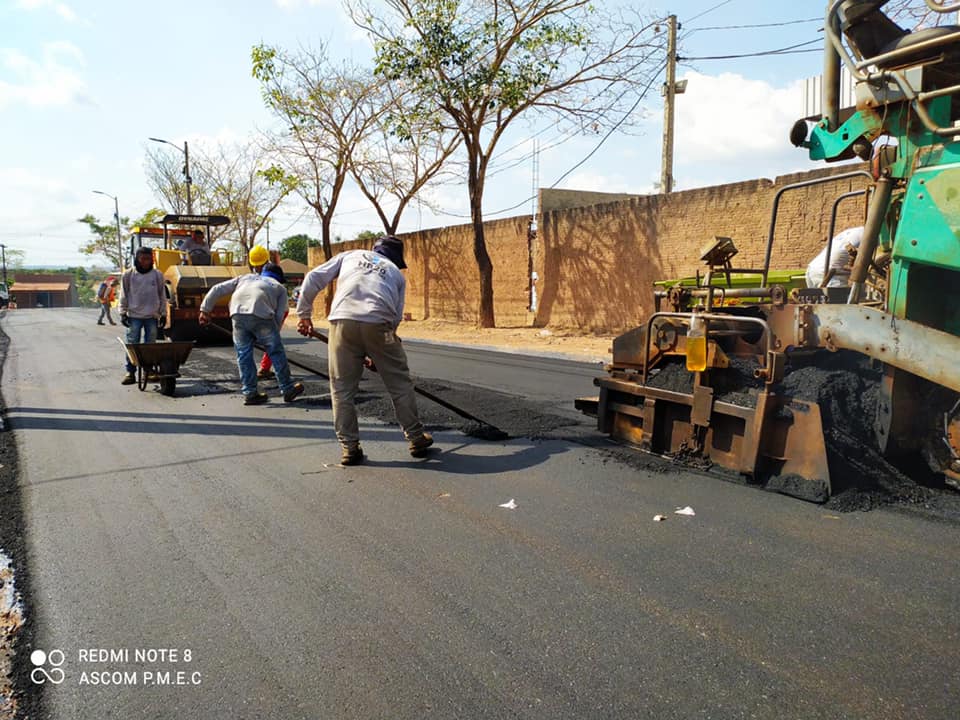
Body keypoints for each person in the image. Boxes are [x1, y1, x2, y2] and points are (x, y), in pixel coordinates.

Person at [296, 235, 433, 466]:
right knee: (400, 384)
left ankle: (349, 448)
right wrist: (379, 353)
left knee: (341, 389)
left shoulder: (350, 255)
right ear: (396, 257)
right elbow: (395, 316)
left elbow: (313, 277)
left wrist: (304, 315)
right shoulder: (395, 273)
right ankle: (416, 437)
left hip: (342, 322)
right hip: (379, 324)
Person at [198, 245, 304, 406]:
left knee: (243, 355)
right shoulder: (279, 287)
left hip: (237, 315)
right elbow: (278, 315)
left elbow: (217, 289)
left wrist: (205, 310)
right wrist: (271, 338)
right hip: (261, 315)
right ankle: (287, 388)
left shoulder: (244, 278)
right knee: (276, 352)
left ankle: (250, 393)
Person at [119, 247, 167, 385]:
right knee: (132, 343)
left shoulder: (157, 275)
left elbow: (162, 295)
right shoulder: (128, 275)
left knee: (150, 345)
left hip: (151, 316)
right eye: (143, 259)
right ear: (137, 259)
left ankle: (148, 370)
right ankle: (130, 372)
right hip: (134, 315)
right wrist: (122, 313)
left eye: (149, 259)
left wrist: (163, 314)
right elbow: (123, 294)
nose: (146, 262)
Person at [256, 262, 288, 379]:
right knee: (272, 340)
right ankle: (283, 380)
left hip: (275, 309)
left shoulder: (276, 288)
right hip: (266, 309)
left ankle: (265, 369)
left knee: (272, 340)